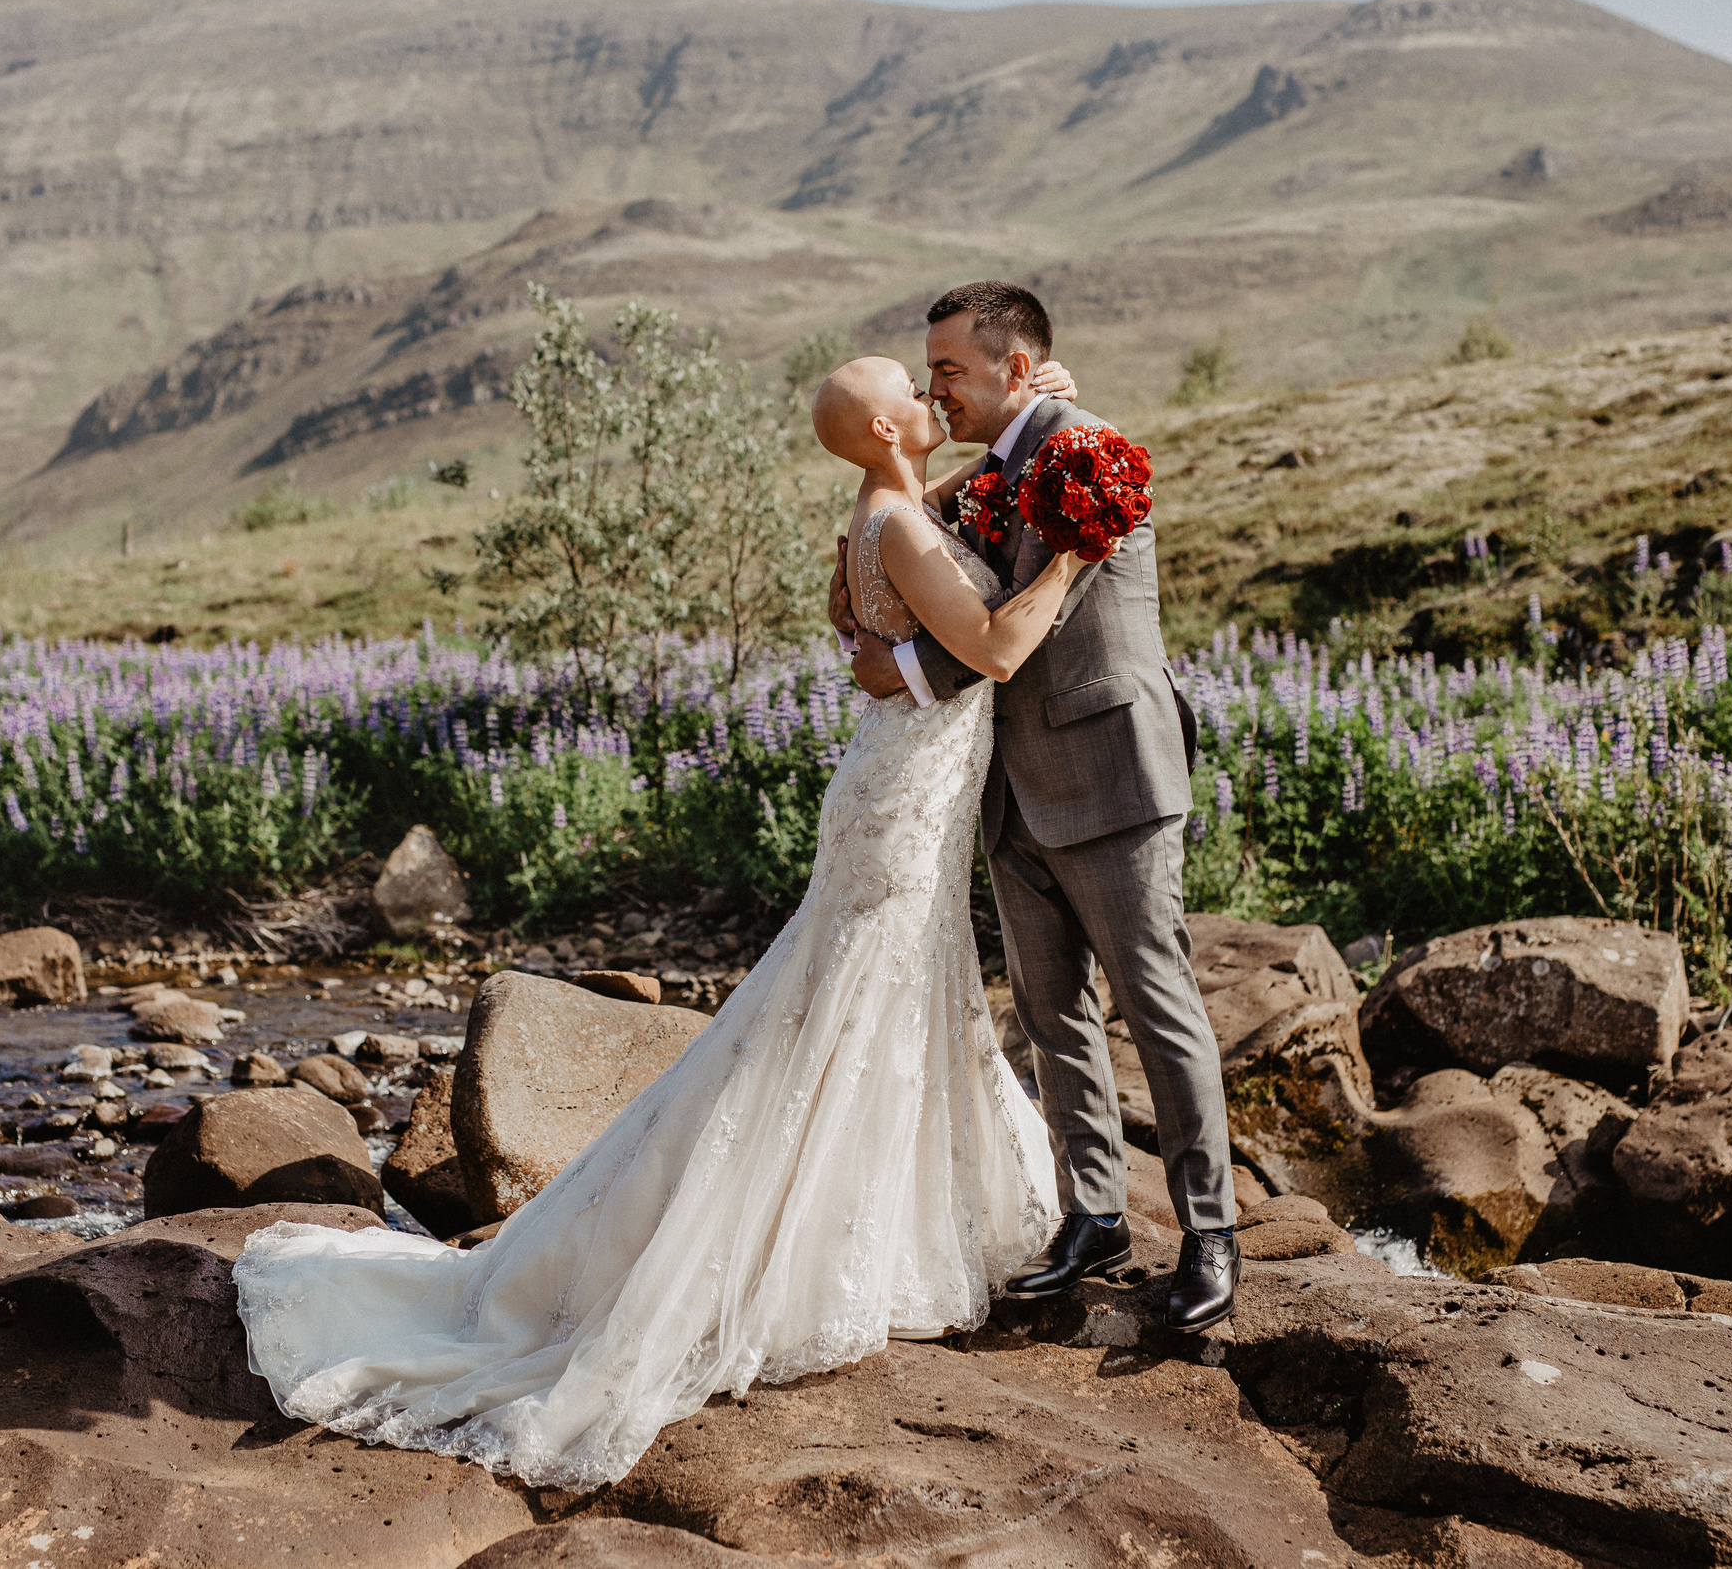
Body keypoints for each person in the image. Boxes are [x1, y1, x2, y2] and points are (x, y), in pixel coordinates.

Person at [232, 354, 1090, 1494]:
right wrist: (1078, 545)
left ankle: (872, 1229)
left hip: (905, 786)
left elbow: (917, 580)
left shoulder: (882, 511)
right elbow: (987, 647)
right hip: (903, 800)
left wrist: (1023, 445)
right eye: (915, 390)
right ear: (888, 425)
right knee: (846, 1007)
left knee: (868, 1003)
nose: (936, 401)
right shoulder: (898, 524)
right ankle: (807, 1250)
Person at [832, 280, 1238, 1333]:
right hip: (1010, 785)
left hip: (1108, 772)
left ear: (1016, 367)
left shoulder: (1089, 456)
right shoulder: (993, 471)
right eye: (928, 377)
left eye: (952, 372)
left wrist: (905, 670)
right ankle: (1092, 1215)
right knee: (1053, 1017)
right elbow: (933, 574)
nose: (938, 390)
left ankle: (1210, 1234)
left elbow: (1010, 635)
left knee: (1157, 1010)